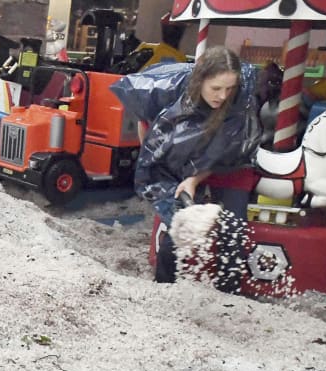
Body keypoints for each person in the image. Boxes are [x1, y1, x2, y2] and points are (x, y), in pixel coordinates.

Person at [112, 45, 261, 285]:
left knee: (233, 234)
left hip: (230, 165)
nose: (222, 96)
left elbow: (225, 153)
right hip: (184, 166)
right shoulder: (168, 91)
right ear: (199, 80)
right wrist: (158, 164)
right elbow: (148, 130)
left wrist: (194, 180)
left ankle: (229, 295)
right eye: (216, 88)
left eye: (229, 89)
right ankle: (163, 287)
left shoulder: (239, 106)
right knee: (177, 228)